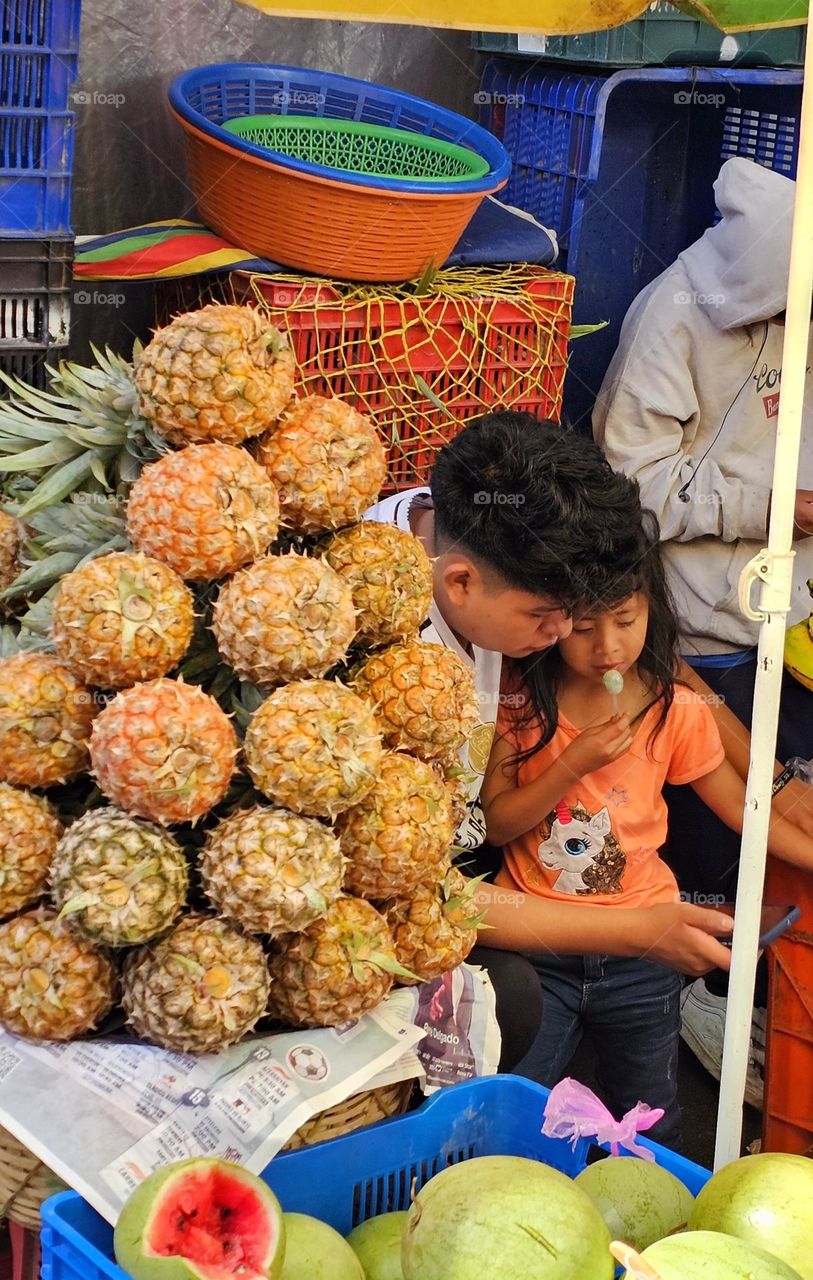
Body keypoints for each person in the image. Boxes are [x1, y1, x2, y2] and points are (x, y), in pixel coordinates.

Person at [365, 412, 738, 1074]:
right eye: (546, 618)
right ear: (457, 584)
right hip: (397, 895)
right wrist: (635, 932)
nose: (567, 635)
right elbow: (426, 895)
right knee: (514, 999)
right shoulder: (377, 657)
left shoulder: (456, 533)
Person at [593, 155, 813, 1104]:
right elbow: (627, 485)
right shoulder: (673, 315)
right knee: (706, 832)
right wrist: (775, 507)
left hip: (780, 616)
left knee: (777, 808)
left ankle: (762, 994)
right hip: (697, 622)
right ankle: (696, 994)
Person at [480, 528, 813, 1148]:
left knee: (649, 1115)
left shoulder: (676, 711)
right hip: (536, 949)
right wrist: (571, 763)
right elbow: (498, 823)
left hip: (645, 954)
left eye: (625, 621)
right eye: (583, 628)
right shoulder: (524, 705)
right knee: (523, 1110)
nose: (607, 648)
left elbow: (746, 813)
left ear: (650, 610)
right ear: (552, 624)